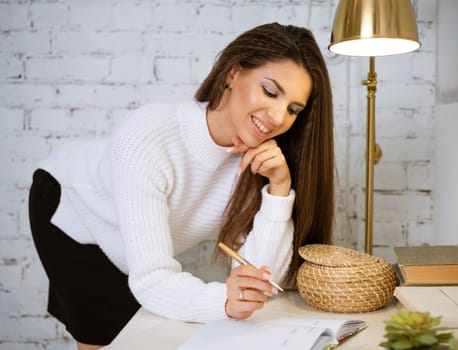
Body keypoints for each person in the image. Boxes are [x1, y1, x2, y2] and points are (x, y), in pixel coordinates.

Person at [28, 22, 334, 350]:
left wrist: (278, 188)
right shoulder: (146, 137)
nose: (278, 117)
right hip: (74, 210)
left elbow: (261, 277)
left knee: (146, 332)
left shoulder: (258, 161)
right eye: (271, 92)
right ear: (233, 73)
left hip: (136, 251)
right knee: (106, 339)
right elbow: (152, 280)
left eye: (293, 109)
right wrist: (225, 303)